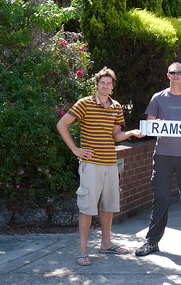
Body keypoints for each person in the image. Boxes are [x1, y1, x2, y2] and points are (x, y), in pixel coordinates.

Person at [57, 67, 144, 266]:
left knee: (108, 206)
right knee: (87, 208)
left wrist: (131, 133)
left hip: (110, 163)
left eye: (109, 83)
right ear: (97, 84)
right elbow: (62, 124)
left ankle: (106, 243)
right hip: (90, 164)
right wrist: (75, 150)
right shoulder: (84, 104)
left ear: (112, 87)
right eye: (102, 82)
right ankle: (82, 250)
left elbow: (116, 136)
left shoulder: (116, 107)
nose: (105, 86)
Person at [135, 62, 181, 258]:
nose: (176, 75)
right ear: (168, 75)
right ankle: (152, 241)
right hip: (163, 154)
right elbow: (150, 123)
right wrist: (159, 124)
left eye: (179, 73)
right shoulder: (158, 97)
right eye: (173, 72)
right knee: (161, 197)